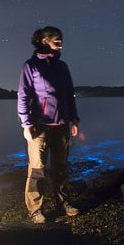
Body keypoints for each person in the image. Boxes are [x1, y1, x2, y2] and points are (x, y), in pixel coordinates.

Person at [17, 26, 80, 223]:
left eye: (61, 39)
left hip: (61, 125)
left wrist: (74, 119)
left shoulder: (62, 67)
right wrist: (26, 124)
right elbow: (23, 95)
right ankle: (35, 209)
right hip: (39, 127)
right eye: (57, 39)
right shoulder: (31, 66)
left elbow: (70, 94)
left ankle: (64, 202)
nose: (61, 42)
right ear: (44, 41)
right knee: (37, 170)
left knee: (61, 167)